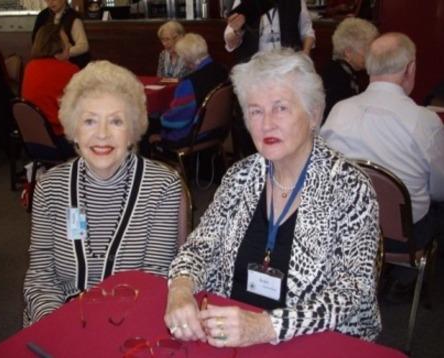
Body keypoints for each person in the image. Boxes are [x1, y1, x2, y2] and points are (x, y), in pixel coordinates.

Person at [164, 49, 381, 347]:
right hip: (231, 336)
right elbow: (201, 246)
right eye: (255, 110)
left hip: (317, 342)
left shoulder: (349, 188)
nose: (266, 124)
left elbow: (354, 290)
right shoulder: (240, 177)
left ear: (314, 114)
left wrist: (267, 326)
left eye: (280, 108)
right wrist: (180, 288)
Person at [23, 60, 183, 326]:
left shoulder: (162, 186)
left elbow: (155, 278)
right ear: (73, 129)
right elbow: (40, 277)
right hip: (58, 324)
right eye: (89, 121)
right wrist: (58, 326)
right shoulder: (50, 188)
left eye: (116, 121)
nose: (102, 134)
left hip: (128, 326)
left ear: (133, 131)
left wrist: (99, 334)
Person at [322, 32, 444, 253]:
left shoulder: (339, 111)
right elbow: (439, 189)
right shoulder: (425, 122)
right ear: (411, 68)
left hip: (345, 225)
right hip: (402, 236)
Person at [22, 23, 79, 157]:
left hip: (33, 142)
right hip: (60, 142)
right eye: (67, 41)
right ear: (57, 46)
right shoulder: (68, 70)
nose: (70, 45)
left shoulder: (30, 67)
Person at [160, 33, 228, 145]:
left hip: (191, 135)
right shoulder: (222, 70)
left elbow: (178, 119)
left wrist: (160, 118)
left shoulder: (189, 83)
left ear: (186, 58)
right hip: (217, 129)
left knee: (147, 127)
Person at [321, 17, 378, 121]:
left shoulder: (341, 70)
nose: (371, 56)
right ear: (348, 52)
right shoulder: (337, 80)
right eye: (367, 50)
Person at [224, 0, 315, 63]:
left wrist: (306, 52)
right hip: (254, 67)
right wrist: (237, 31)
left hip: (287, 65)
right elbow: (230, 41)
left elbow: (307, 32)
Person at [32, 0, 90, 68]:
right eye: (47, 0)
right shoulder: (42, 16)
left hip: (72, 65)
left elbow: (84, 46)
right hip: (47, 65)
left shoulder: (73, 17)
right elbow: (35, 41)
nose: (50, 2)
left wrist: (64, 53)